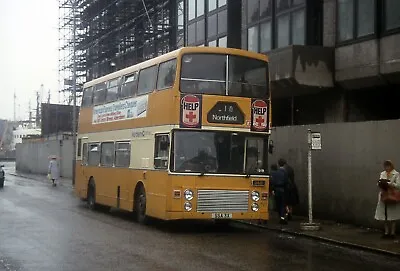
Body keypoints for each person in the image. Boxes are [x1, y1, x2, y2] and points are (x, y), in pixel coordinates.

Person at [374, 160, 400, 239]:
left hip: (392, 196)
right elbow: (379, 182)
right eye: (385, 166)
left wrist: (389, 183)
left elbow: (398, 185)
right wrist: (380, 183)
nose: (387, 168)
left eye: (388, 166)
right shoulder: (382, 173)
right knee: (384, 216)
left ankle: (392, 233)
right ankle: (386, 232)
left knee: (392, 216)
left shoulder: (396, 174)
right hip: (384, 196)